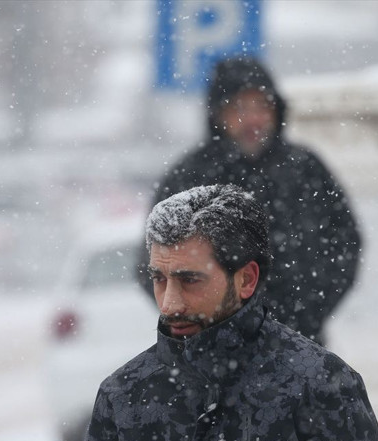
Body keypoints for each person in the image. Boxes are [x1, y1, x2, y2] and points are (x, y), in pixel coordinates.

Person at [69, 185, 378, 441]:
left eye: (189, 279)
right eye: (159, 280)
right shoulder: (124, 397)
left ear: (246, 279)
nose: (169, 304)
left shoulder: (321, 386)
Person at [138, 56, 362, 345]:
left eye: (262, 106)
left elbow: (345, 244)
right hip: (208, 356)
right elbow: (153, 262)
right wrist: (205, 323)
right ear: (218, 114)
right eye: (240, 107)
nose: (254, 118)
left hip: (299, 344)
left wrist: (306, 312)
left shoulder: (305, 169)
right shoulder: (191, 176)